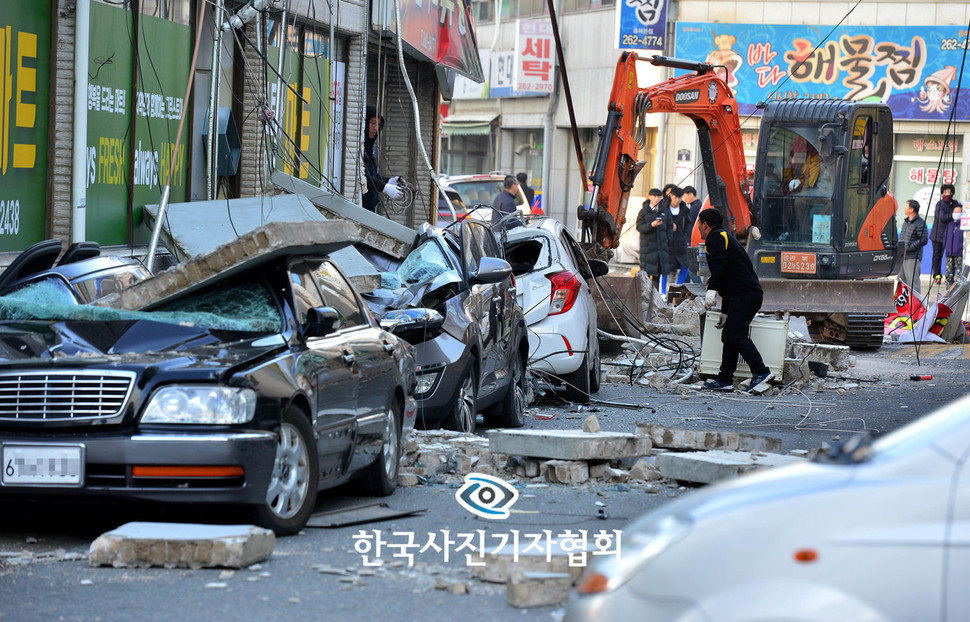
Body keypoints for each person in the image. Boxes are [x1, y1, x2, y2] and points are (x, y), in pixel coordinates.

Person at [697, 208, 773, 394]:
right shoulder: (724, 236)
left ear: (705, 225)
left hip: (745, 294)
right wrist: (725, 311)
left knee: (737, 335)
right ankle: (724, 379)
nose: (699, 228)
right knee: (729, 336)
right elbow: (732, 279)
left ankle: (761, 372)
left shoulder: (715, 237)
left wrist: (712, 290)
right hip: (744, 294)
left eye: (699, 225)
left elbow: (720, 268)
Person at [362, 105, 403, 213]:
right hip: (359, 208)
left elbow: (372, 175)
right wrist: (384, 187)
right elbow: (361, 176)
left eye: (378, 125)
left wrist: (388, 181)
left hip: (369, 210)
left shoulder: (368, 148)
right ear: (364, 123)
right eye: (372, 123)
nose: (375, 128)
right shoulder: (357, 148)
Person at [636, 188, 669, 290]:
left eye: (659, 196)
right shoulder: (643, 211)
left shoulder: (665, 211)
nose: (656, 198)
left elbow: (670, 227)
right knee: (645, 277)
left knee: (657, 276)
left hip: (661, 250)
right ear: (649, 197)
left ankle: (655, 299)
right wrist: (651, 225)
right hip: (647, 249)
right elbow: (639, 227)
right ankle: (644, 299)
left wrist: (668, 239)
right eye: (654, 196)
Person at [930, 183, 962, 285]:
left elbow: (960, 212)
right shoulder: (939, 204)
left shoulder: (955, 203)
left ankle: (951, 277)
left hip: (951, 236)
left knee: (950, 257)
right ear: (942, 194)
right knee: (937, 256)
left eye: (949, 192)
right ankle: (937, 275)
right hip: (938, 235)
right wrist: (953, 214)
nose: (947, 194)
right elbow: (942, 217)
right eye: (945, 192)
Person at [899, 199, 929, 296]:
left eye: (906, 206)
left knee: (913, 283)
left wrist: (910, 247)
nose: (904, 208)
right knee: (901, 281)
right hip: (903, 256)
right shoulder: (905, 222)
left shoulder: (920, 223)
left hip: (913, 257)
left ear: (911, 209)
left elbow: (924, 239)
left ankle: (916, 306)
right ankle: (904, 306)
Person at [667, 186, 691, 285]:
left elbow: (689, 223)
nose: (677, 200)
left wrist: (685, 234)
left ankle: (678, 286)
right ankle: (664, 292)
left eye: (680, 198)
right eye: (675, 197)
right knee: (668, 270)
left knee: (685, 266)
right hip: (668, 244)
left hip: (681, 243)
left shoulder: (684, 209)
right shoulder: (664, 208)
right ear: (671, 196)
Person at [944, 203, 964, 290]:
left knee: (960, 276)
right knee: (949, 276)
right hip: (949, 253)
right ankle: (948, 294)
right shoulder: (950, 225)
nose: (955, 213)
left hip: (959, 254)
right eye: (954, 211)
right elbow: (945, 237)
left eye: (958, 211)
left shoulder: (963, 225)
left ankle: (959, 294)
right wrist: (946, 247)